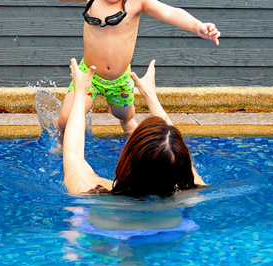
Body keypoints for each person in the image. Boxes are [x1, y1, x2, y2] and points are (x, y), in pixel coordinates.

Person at [20, 0, 219, 133]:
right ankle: (62, 145)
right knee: (65, 120)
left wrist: (198, 26)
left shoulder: (139, 2)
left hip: (120, 79)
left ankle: (127, 122)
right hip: (88, 74)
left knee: (123, 114)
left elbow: (170, 12)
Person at [62, 58, 206, 196]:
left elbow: (73, 156)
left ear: (127, 161)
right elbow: (181, 163)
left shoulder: (89, 190)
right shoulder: (195, 190)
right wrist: (150, 95)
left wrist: (80, 92)